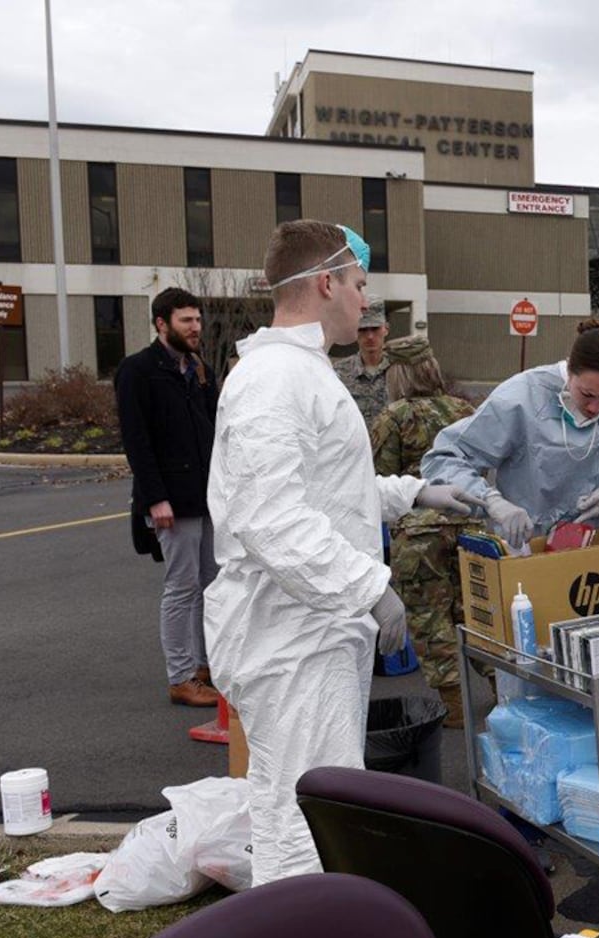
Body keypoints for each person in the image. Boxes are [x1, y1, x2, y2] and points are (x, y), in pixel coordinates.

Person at [205, 220, 480, 885]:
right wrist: (370, 588)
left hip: (310, 633)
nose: (364, 303)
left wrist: (420, 491)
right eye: (359, 285)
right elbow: (273, 520)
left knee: (295, 802)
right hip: (292, 640)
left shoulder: (301, 370)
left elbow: (333, 492)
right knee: (307, 813)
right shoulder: (275, 379)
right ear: (325, 282)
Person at [421, 319, 599, 545]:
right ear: (570, 371)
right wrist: (491, 501)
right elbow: (446, 458)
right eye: (587, 395)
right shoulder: (521, 397)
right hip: (532, 545)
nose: (596, 408)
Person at [114, 286, 222, 708]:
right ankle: (180, 677)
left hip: (206, 497)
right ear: (162, 324)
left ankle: (204, 667)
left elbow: (213, 432)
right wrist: (155, 498)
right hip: (171, 502)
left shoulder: (200, 370)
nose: (196, 328)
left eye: (197, 320)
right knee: (181, 587)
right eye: (186, 321)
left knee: (211, 584)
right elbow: (136, 441)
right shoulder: (137, 371)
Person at [369, 336, 479, 729]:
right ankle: (505, 693)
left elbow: (380, 480)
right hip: (469, 522)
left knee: (431, 619)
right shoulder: (464, 409)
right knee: (477, 610)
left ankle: (455, 706)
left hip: (418, 534)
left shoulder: (393, 417)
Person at [334, 296, 390, 429]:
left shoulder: (400, 371)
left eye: (375, 329)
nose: (370, 336)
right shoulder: (340, 372)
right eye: (363, 330)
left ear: (386, 329)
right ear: (355, 332)